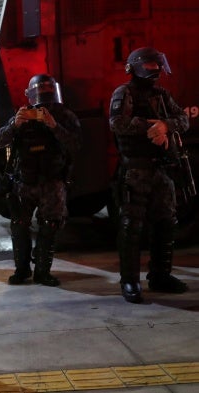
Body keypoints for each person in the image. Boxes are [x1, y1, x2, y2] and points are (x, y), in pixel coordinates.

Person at [109, 47, 190, 303]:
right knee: (132, 227)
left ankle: (160, 275)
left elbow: (183, 119)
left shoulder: (162, 95)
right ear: (134, 68)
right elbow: (117, 123)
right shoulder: (124, 93)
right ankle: (130, 281)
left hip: (161, 169)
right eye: (149, 67)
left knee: (166, 222)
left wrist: (166, 125)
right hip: (135, 170)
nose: (154, 72)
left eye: (157, 67)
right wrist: (150, 128)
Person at [0, 74, 81, 287]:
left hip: (52, 182)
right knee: (20, 225)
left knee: (50, 225)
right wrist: (14, 125)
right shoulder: (22, 113)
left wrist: (54, 126)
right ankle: (22, 270)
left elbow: (76, 144)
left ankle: (43, 271)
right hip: (25, 181)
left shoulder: (64, 115)